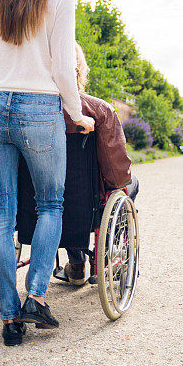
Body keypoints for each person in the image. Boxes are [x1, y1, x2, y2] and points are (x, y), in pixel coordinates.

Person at [0, 0, 95, 347]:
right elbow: (62, 68)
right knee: (50, 203)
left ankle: (9, 319)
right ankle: (35, 296)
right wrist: (76, 114)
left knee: (1, 214)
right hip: (40, 108)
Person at [57, 43, 137, 285]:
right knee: (127, 186)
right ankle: (106, 255)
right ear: (79, 72)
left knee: (62, 196)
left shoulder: (28, 110)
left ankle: (77, 262)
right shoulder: (99, 109)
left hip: (39, 198)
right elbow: (116, 174)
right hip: (85, 200)